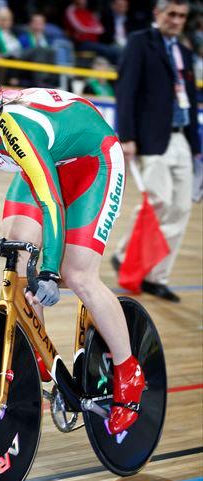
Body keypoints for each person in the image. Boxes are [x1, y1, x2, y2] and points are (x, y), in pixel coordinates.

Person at [0, 62, 145, 435]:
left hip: (93, 160)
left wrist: (51, 267)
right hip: (47, 160)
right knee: (17, 252)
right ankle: (40, 358)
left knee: (76, 273)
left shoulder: (17, 130)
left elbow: (51, 202)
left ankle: (129, 373)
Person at [111, 0, 200, 302]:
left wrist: (196, 147)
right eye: (171, 14)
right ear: (157, 14)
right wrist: (127, 136)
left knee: (181, 209)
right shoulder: (140, 43)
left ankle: (156, 276)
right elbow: (126, 91)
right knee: (158, 201)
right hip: (151, 138)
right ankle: (125, 254)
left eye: (182, 16)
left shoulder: (185, 52)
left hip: (181, 139)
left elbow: (188, 97)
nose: (176, 20)